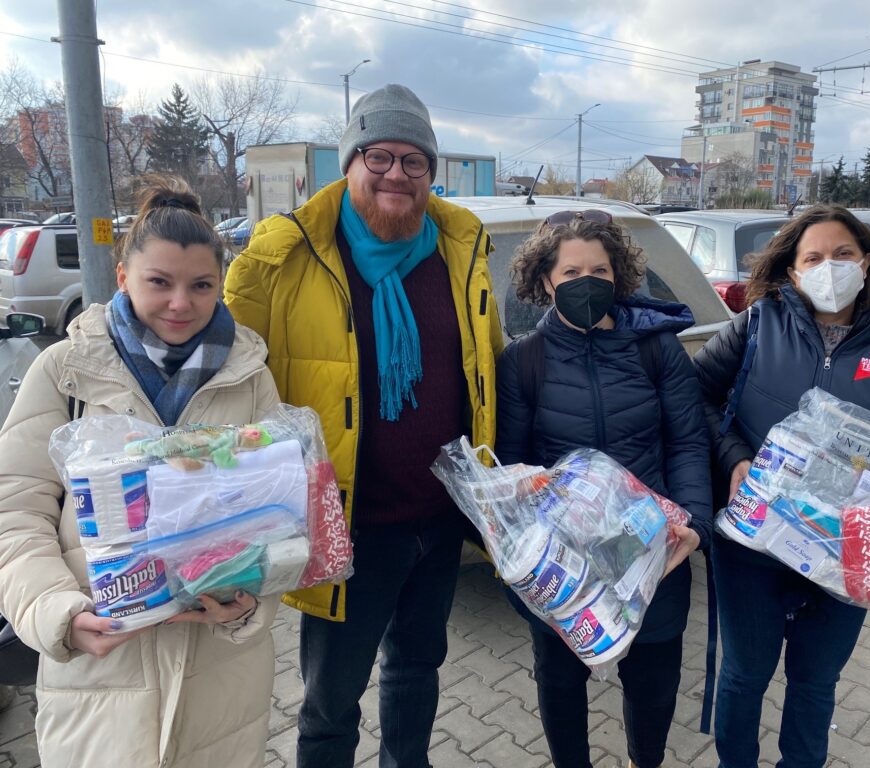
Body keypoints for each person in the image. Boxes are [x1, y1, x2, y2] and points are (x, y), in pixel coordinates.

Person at [224, 83, 503, 768]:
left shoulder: (461, 252)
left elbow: (488, 368)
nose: (396, 175)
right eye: (378, 156)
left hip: (437, 520)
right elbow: (220, 372)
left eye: (415, 162)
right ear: (348, 163)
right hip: (344, 527)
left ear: (429, 175)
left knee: (417, 674)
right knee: (329, 704)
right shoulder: (286, 257)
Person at [0, 176, 282, 768]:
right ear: (123, 276)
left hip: (222, 689)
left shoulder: (250, 373)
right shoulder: (66, 370)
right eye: (160, 282)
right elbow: (13, 509)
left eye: (201, 285)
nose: (181, 303)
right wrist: (58, 613)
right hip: (101, 683)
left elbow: (277, 516)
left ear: (220, 286)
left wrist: (252, 603)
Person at [693, 204, 870, 768]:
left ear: (868, 262)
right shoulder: (756, 327)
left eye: (843, 254)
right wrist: (733, 458)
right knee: (745, 673)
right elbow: (696, 397)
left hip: (844, 555)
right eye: (814, 257)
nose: (829, 267)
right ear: (792, 271)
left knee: (814, 681)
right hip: (753, 543)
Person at [495, 210, 712, 768]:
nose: (585, 283)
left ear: (618, 276)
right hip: (565, 561)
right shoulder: (524, 362)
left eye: (599, 270)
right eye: (570, 273)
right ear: (545, 280)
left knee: (654, 680)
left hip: (652, 551)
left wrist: (692, 526)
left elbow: (687, 442)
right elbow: (513, 467)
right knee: (561, 681)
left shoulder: (657, 350)